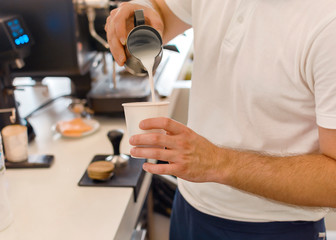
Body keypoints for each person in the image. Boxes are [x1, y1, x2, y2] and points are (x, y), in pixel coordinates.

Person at [105, 0, 336, 239]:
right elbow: (161, 11)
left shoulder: (328, 23)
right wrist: (139, 9)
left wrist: (217, 162)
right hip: (189, 208)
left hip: (275, 228)